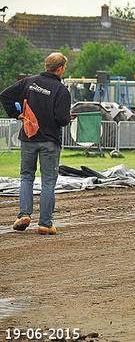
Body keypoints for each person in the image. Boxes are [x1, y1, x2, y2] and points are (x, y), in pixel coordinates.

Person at [0, 53, 72, 235]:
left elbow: (5, 96)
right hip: (49, 141)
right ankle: (45, 223)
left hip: (29, 139)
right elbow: (62, 119)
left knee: (26, 177)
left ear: (47, 65)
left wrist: (16, 115)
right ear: (61, 68)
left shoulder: (29, 82)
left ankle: (23, 215)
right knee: (48, 182)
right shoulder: (61, 90)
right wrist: (67, 117)